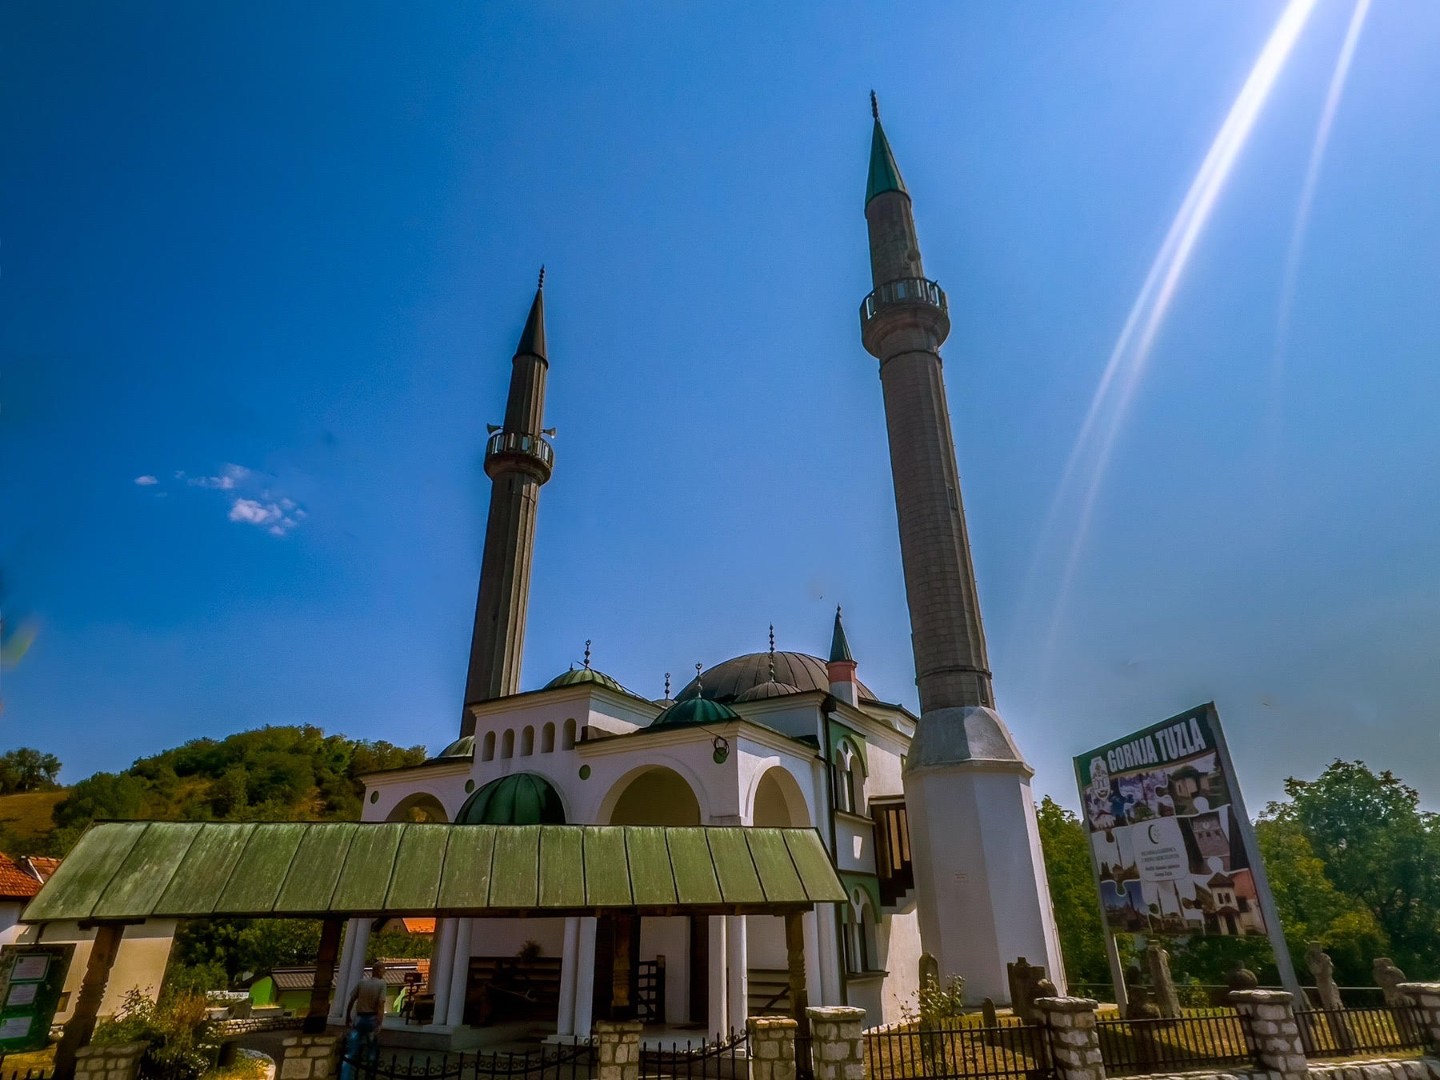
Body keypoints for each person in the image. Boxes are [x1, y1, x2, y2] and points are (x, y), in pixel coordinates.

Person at [343, 961, 387, 1079]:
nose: (385, 972)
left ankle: (345, 1076)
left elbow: (352, 1000)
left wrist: (347, 1016)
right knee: (372, 1049)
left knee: (351, 1050)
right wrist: (380, 1022)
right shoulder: (382, 984)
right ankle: (369, 1075)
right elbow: (380, 1005)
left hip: (359, 1018)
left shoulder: (362, 982)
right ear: (378, 970)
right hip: (371, 1019)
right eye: (383, 969)